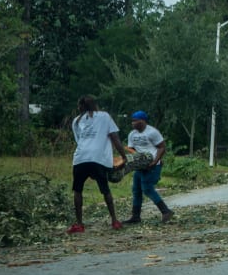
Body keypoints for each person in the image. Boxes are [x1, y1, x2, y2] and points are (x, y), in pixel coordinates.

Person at [69, 95, 128, 234]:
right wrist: (124, 157)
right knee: (105, 190)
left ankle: (79, 224)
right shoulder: (104, 116)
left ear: (80, 106)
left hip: (80, 158)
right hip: (98, 158)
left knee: (78, 191)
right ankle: (114, 221)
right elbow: (115, 138)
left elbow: (80, 141)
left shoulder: (76, 121)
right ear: (94, 105)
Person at [122, 110, 174, 225]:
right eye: (132, 121)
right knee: (136, 190)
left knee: (147, 188)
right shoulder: (132, 134)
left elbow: (162, 147)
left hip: (153, 165)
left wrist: (155, 161)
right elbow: (132, 149)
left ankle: (166, 211)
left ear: (143, 121)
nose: (133, 123)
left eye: (135, 121)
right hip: (140, 166)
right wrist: (137, 160)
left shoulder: (152, 132)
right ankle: (135, 216)